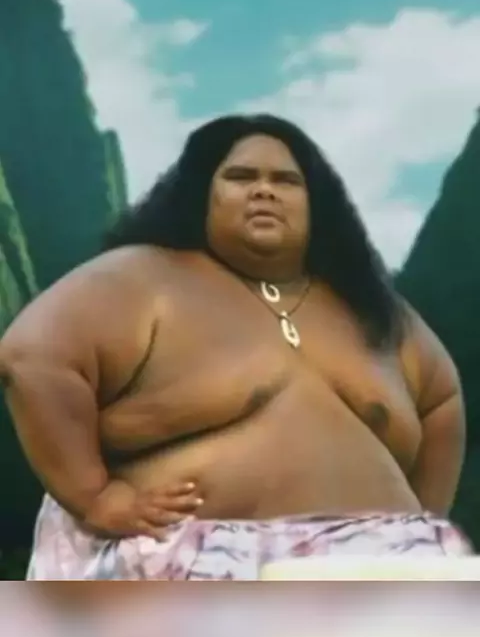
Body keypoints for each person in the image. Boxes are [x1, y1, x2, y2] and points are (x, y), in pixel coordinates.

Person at [0, 114, 470, 580]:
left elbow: (441, 400)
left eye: (286, 181)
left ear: (317, 205)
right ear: (202, 195)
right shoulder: (144, 276)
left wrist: (417, 528)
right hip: (203, 573)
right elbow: (33, 357)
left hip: (392, 578)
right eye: (241, 177)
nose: (264, 190)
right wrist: (95, 498)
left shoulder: (372, 307)